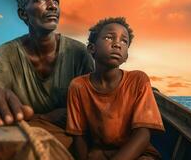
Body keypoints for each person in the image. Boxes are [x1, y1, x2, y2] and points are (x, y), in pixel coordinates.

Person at [0, 0, 94, 148]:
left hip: (71, 139)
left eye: (55, 0)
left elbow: (93, 106)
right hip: (26, 136)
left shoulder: (79, 53)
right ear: (23, 14)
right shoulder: (6, 53)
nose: (52, 6)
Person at [66, 17, 165, 160]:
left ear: (126, 56)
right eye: (109, 37)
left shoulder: (138, 80)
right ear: (91, 48)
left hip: (138, 154)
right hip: (99, 153)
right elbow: (78, 136)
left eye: (124, 41)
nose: (117, 44)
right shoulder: (78, 86)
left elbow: (143, 133)